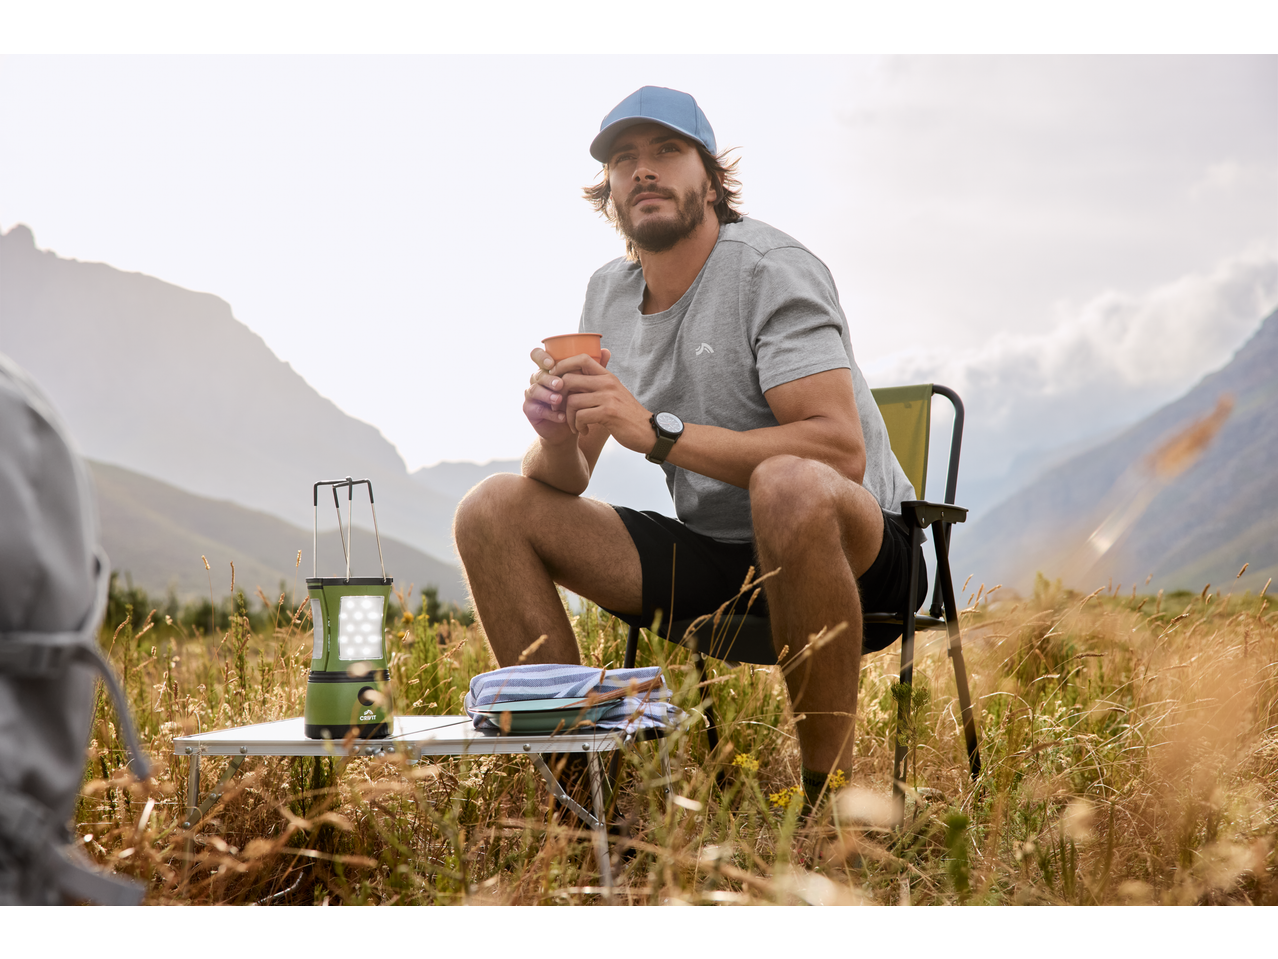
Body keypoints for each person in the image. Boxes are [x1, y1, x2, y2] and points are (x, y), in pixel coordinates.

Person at [454, 86, 922, 804]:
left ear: (710, 178)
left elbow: (837, 453)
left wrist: (656, 433)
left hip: (860, 552)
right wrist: (555, 436)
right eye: (623, 159)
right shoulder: (608, 294)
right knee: (491, 508)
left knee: (787, 484)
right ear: (609, 190)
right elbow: (567, 478)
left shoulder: (768, 267)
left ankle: (829, 811)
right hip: (717, 555)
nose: (643, 169)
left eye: (667, 151)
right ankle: (583, 807)